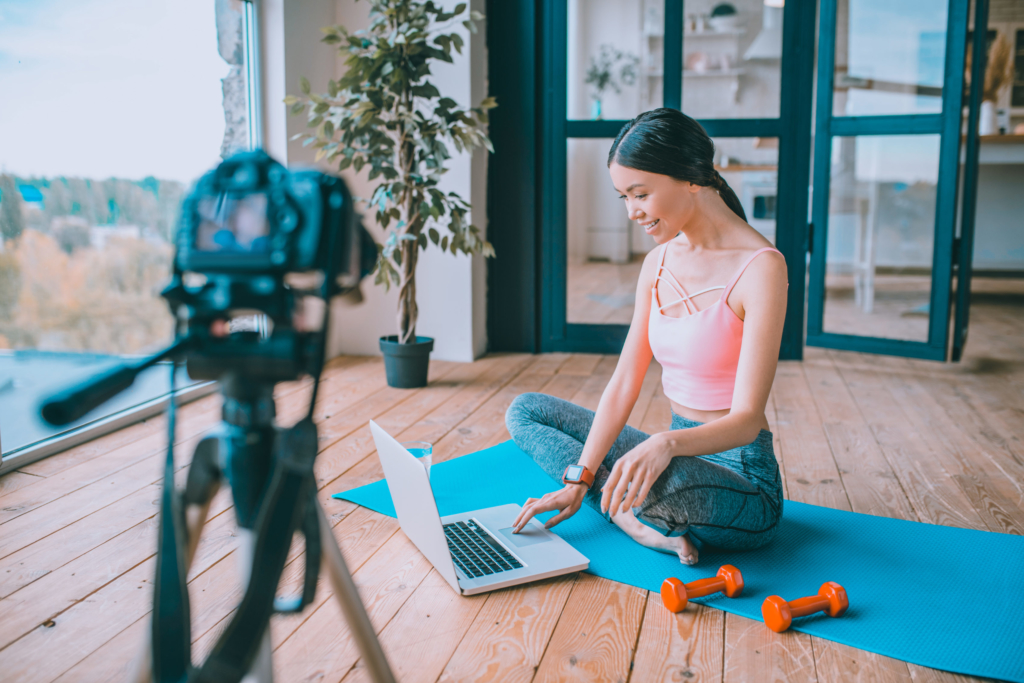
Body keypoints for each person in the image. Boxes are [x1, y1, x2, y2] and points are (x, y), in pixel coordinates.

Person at [505, 108, 788, 565]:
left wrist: (665, 444)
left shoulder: (761, 268)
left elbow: (747, 419)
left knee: (654, 484)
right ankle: (634, 515)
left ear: (691, 178)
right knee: (527, 410)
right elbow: (624, 382)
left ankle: (634, 517)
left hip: (743, 485)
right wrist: (579, 479)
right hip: (671, 460)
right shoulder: (658, 263)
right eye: (623, 197)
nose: (632, 212)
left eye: (640, 194)